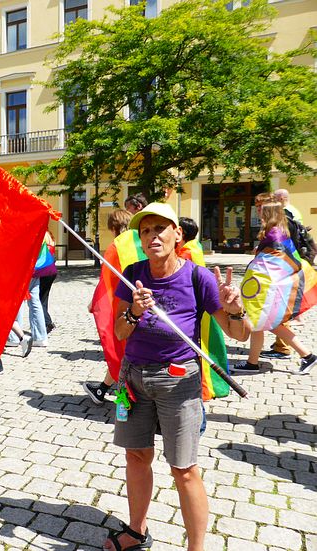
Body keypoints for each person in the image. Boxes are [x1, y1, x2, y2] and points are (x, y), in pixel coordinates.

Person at [106, 203, 250, 551]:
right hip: (133, 379)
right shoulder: (132, 273)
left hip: (179, 382)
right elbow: (120, 332)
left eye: (160, 229)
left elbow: (240, 334)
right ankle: (137, 532)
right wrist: (135, 310)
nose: (152, 236)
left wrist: (236, 310)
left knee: (183, 469)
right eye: (146, 231)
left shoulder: (197, 277)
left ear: (177, 234)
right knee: (136, 456)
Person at [233, 201, 317, 375]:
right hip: (271, 287)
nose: (259, 215)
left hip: (268, 288)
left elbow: (273, 262)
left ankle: (306, 356)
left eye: (262, 211)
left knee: (263, 322)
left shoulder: (274, 233)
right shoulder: (279, 230)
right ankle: (254, 362)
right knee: (262, 323)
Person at [84, 208, 134, 405]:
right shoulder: (139, 242)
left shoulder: (117, 246)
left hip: (122, 307)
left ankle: (125, 398)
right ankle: (102, 390)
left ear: (114, 227)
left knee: (120, 351)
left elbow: (106, 281)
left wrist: (96, 303)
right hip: (142, 304)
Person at [37, 230, 58, 333]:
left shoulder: (41, 235)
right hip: (51, 269)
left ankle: (47, 323)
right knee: (43, 298)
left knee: (37, 299)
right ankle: (46, 322)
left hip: (43, 270)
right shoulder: (49, 235)